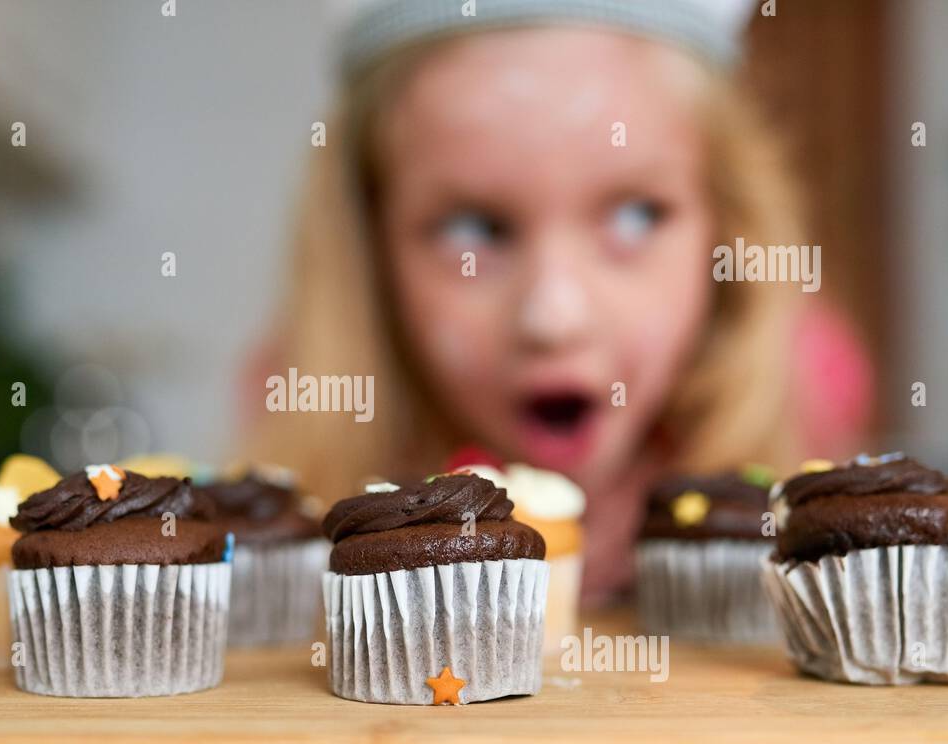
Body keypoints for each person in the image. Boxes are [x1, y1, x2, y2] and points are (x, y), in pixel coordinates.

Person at [244, 0, 871, 603]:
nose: (553, 316)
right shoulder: (291, 452)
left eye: (635, 216)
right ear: (368, 251)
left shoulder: (808, 406)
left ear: (730, 228)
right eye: (474, 229)